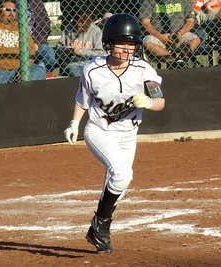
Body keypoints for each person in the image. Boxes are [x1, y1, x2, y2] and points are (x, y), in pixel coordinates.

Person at [63, 13, 165, 253]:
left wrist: (149, 104)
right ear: (108, 43)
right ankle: (101, 224)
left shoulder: (143, 70)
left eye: (131, 44)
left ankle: (96, 231)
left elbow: (160, 101)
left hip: (128, 135)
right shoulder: (92, 69)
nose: (127, 49)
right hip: (100, 131)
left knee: (119, 184)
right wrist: (74, 124)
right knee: (121, 174)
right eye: (122, 43)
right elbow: (83, 101)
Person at [139, 0, 202, 66]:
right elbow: (145, 22)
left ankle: (181, 60)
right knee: (148, 43)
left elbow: (190, 21)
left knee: (195, 39)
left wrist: (180, 33)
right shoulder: (148, 1)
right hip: (157, 37)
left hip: (180, 35)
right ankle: (173, 62)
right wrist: (160, 36)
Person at [56, 11, 107, 77]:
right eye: (77, 22)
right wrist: (66, 50)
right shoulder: (68, 28)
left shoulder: (95, 31)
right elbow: (58, 50)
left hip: (91, 62)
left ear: (88, 23)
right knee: (75, 71)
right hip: (73, 63)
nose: (79, 25)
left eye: (82, 22)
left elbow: (101, 53)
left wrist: (82, 52)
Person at [14, 0, 57, 75]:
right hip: (14, 44)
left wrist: (38, 42)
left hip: (35, 43)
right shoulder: (9, 3)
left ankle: (40, 71)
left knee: (50, 56)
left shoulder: (36, 2)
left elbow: (45, 25)